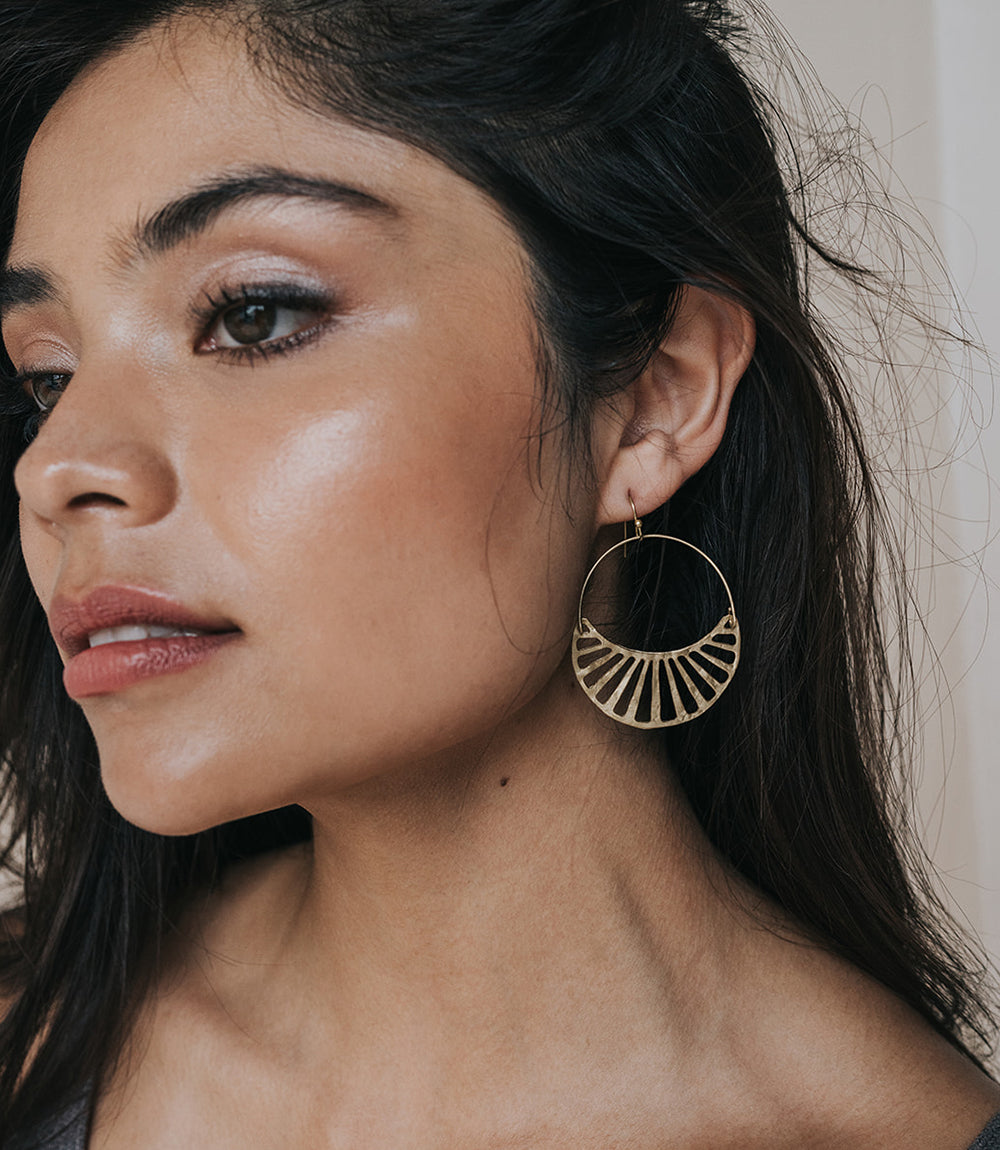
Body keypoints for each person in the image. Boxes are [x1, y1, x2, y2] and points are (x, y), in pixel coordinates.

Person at [0, 0, 997, 1146]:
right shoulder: (34, 1036)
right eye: (46, 376)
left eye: (251, 312)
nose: (59, 463)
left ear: (656, 400)